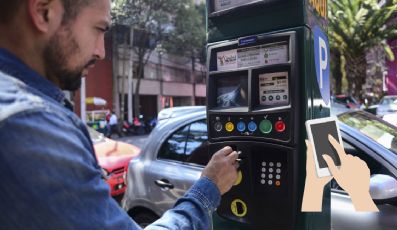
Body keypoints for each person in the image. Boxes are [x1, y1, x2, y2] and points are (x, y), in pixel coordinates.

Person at [0, 0, 239, 229]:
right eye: (98, 29)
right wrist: (209, 188)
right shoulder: (30, 125)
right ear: (44, 12)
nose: (101, 51)